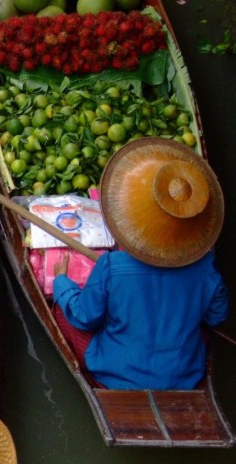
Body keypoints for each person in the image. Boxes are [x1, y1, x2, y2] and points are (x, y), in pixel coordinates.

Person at [52, 137, 227, 390]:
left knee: (62, 310)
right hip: (184, 375)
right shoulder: (207, 270)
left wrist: (61, 282)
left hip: (115, 373)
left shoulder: (112, 265)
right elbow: (216, 317)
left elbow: (85, 317)